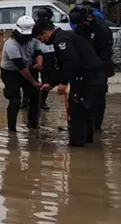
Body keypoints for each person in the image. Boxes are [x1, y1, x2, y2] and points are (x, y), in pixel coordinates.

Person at [34, 18, 106, 147]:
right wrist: (51, 83)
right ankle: (88, 144)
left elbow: (71, 63)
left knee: (77, 113)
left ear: (45, 33)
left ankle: (77, 147)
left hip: (86, 79)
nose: (43, 42)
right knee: (87, 111)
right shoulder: (67, 36)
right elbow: (62, 66)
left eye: (41, 39)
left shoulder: (62, 40)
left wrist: (64, 83)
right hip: (95, 78)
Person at [69, 4, 113, 132]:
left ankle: (96, 125)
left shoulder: (102, 28)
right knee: (80, 95)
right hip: (83, 67)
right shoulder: (79, 28)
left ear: (89, 17)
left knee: (98, 97)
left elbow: (106, 51)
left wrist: (97, 66)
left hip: (100, 67)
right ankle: (83, 122)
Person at [0, 16, 43, 132]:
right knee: (15, 100)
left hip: (29, 69)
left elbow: (39, 52)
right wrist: (34, 82)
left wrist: (39, 63)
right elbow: (21, 67)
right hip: (11, 73)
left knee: (35, 97)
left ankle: (33, 125)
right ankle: (12, 129)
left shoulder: (34, 40)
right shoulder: (11, 45)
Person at [33, 7, 55, 110]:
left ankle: (41, 101)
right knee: (33, 78)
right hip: (39, 53)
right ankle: (34, 100)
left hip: (48, 54)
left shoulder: (51, 27)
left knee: (45, 78)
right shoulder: (34, 28)